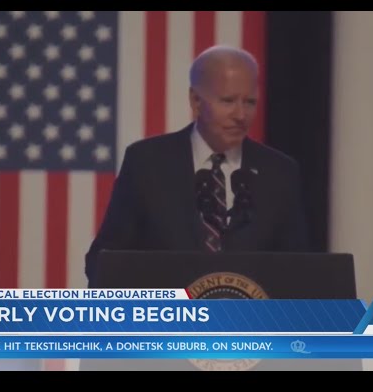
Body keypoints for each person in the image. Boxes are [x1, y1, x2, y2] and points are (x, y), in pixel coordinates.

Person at [84, 45, 308, 285]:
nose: (241, 115)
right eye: (228, 101)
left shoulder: (279, 172)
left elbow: (301, 271)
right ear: (196, 101)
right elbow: (103, 263)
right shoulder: (147, 163)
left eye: (250, 102)